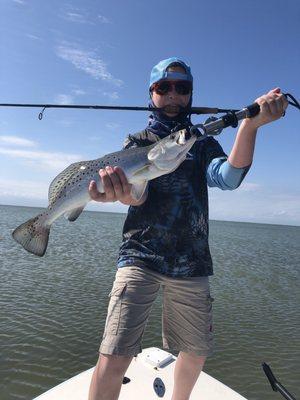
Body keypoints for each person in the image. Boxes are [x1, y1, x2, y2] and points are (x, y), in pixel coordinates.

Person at [88, 57, 288, 400]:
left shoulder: (200, 140)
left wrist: (250, 127)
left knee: (196, 351)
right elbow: (136, 194)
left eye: (182, 88)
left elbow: (227, 177)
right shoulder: (136, 142)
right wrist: (121, 194)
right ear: (151, 93)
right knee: (114, 352)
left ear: (191, 94)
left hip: (192, 261)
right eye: (163, 87)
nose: (173, 95)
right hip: (139, 254)